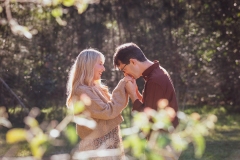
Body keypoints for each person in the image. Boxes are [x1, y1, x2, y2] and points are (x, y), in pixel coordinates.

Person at [66, 48, 130, 160]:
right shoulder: (82, 91)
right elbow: (108, 111)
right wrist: (122, 85)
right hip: (98, 148)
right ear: (89, 65)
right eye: (100, 64)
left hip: (109, 145)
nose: (103, 68)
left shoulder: (97, 88)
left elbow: (114, 106)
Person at [113, 42, 179, 128]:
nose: (125, 74)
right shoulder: (156, 73)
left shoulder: (155, 80)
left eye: (124, 70)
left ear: (132, 62)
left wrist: (133, 95)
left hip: (162, 139)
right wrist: (136, 92)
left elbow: (149, 119)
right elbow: (149, 106)